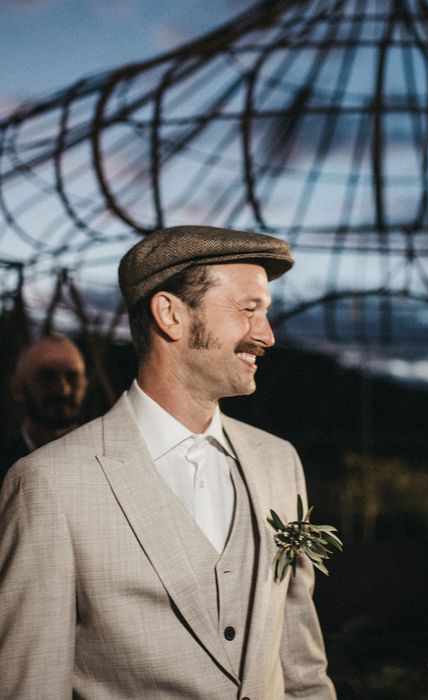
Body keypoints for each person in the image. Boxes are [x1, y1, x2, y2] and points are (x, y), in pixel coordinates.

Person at [0, 225, 336, 699]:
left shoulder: (280, 463)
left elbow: (302, 670)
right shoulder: (48, 483)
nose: (267, 335)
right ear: (170, 315)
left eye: (266, 313)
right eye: (248, 309)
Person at [0, 335, 88, 484]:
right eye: (47, 377)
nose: (63, 389)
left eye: (72, 377)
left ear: (85, 386)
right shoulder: (5, 470)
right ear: (16, 389)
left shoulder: (104, 465)